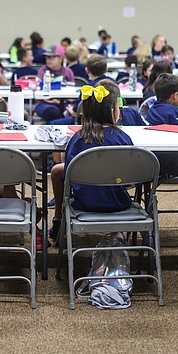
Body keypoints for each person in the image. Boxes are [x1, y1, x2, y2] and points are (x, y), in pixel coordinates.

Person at [49, 80, 133, 238]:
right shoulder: (123, 138)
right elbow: (130, 178)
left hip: (84, 203)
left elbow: (68, 177)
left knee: (58, 170)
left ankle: (59, 220)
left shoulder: (77, 138)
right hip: (119, 203)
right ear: (112, 111)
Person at [34, 49, 74, 122]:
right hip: (43, 102)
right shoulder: (42, 71)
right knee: (51, 112)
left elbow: (72, 95)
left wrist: (61, 101)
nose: (48, 60)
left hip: (64, 102)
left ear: (61, 58)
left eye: (51, 57)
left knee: (72, 110)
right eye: (47, 57)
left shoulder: (68, 72)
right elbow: (38, 90)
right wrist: (51, 100)